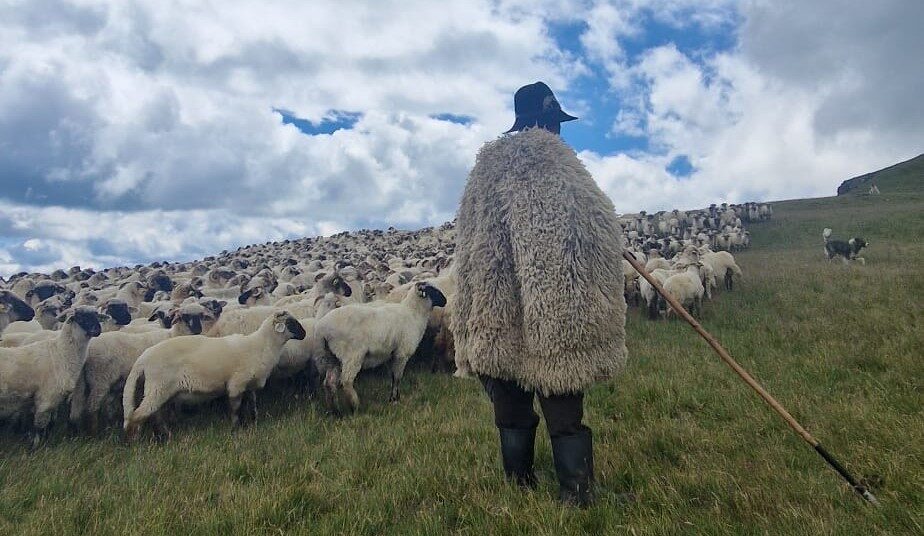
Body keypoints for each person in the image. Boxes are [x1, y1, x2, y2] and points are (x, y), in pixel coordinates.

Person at [452, 82, 628, 507]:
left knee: (510, 405)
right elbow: (591, 230)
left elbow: (467, 246)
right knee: (563, 403)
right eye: (557, 122)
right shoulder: (559, 167)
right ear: (550, 121)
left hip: (495, 314)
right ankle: (576, 493)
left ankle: (519, 486)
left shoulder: (484, 171)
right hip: (556, 314)